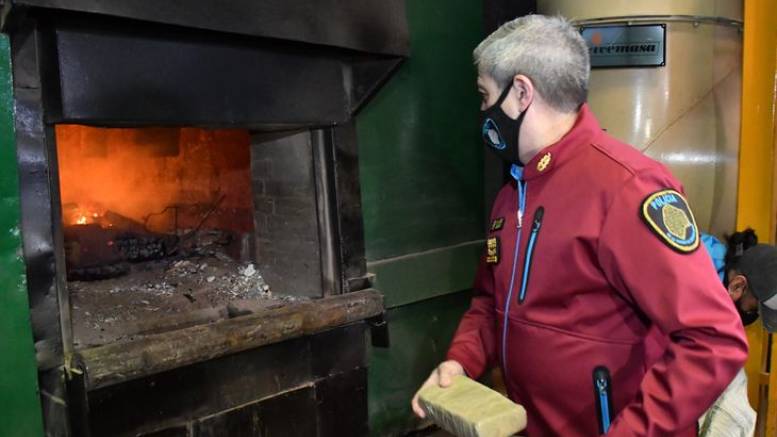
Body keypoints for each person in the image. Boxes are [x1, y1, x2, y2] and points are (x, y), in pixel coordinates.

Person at [411, 15, 748, 436]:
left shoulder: (627, 190)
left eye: (485, 95)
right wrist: (460, 361)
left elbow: (712, 339)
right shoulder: (513, 193)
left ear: (520, 93)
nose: (482, 111)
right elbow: (489, 301)